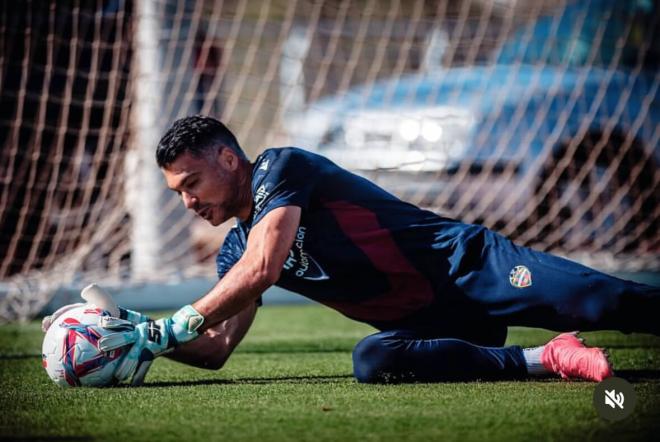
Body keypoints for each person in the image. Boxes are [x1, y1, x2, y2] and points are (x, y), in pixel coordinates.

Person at [58, 115, 660, 385]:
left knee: (599, 298)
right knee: (372, 361)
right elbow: (215, 349)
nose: (187, 203)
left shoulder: (282, 169)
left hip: (470, 268)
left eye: (191, 184)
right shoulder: (232, 254)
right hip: (430, 325)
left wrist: (172, 323)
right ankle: (547, 359)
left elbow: (265, 266)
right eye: (176, 194)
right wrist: (141, 336)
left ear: (227, 159)